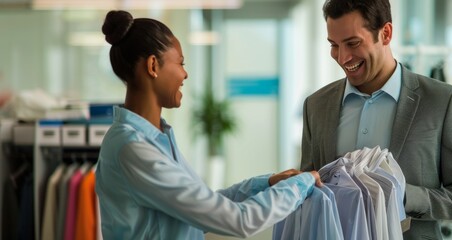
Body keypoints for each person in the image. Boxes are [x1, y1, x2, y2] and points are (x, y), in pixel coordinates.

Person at [95, 10, 322, 239]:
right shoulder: (132, 148)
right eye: (181, 63)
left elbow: (205, 209)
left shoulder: (155, 138)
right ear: (153, 66)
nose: (185, 75)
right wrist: (302, 183)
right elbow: (238, 220)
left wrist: (267, 183)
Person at [299, 0, 452, 239]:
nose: (343, 57)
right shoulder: (316, 105)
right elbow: (308, 188)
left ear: (385, 33)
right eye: (334, 45)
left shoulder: (442, 101)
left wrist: (401, 195)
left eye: (353, 43)